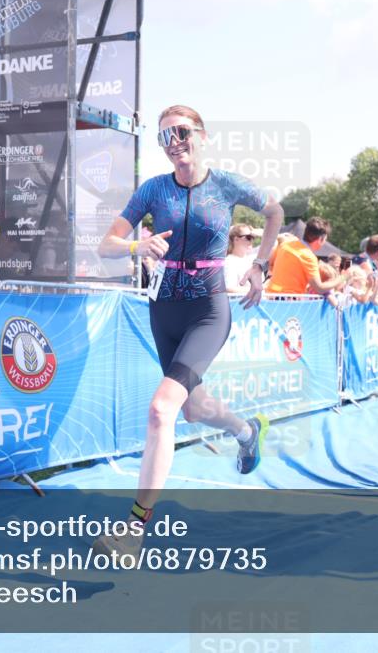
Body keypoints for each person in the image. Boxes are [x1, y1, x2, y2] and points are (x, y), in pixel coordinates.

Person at [94, 105, 284, 556]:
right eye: (164, 137)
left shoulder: (227, 184)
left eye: (181, 132)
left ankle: (134, 532)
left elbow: (275, 212)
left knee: (162, 410)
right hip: (164, 309)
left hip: (207, 310)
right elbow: (107, 245)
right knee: (194, 409)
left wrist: (260, 264)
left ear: (201, 135)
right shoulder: (154, 190)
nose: (174, 142)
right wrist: (137, 244)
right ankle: (245, 431)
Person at [266, 217, 344, 296]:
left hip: (270, 297)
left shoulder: (286, 245)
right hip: (290, 302)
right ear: (320, 239)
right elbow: (319, 288)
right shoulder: (309, 257)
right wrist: (342, 278)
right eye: (325, 240)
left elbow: (271, 263)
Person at [223, 223, 256, 293]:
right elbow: (229, 288)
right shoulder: (229, 262)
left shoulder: (252, 258)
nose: (251, 240)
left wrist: (261, 233)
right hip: (240, 303)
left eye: (253, 237)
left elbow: (273, 244)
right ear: (236, 239)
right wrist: (257, 289)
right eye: (248, 237)